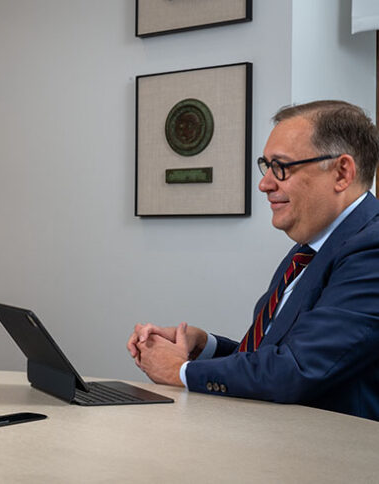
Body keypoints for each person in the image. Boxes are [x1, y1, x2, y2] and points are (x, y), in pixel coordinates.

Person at [127, 100, 379, 421]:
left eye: (282, 167)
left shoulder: (371, 249)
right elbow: (271, 357)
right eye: (267, 166)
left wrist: (181, 371)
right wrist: (204, 347)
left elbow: (297, 369)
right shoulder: (309, 250)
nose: (265, 183)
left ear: (342, 172)